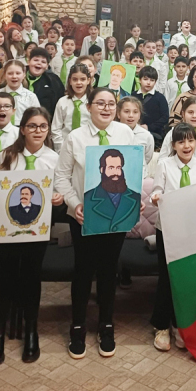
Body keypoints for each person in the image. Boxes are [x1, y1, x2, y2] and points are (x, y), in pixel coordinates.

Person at [54, 87, 136, 359]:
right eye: (100, 103)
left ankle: (106, 325)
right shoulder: (75, 137)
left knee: (109, 271)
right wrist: (74, 204)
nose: (106, 108)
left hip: (115, 215)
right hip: (83, 216)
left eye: (111, 103)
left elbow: (133, 172)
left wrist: (134, 200)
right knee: (83, 270)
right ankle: (77, 325)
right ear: (88, 107)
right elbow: (61, 177)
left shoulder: (125, 133)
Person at [0, 107, 61, 366]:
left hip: (37, 230)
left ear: (48, 130)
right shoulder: (8, 155)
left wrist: (58, 197)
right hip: (7, 229)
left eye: (43, 126)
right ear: (23, 129)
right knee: (5, 279)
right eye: (32, 126)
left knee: (31, 278)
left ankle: (31, 331)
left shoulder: (53, 158)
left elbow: (58, 188)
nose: (38, 131)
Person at [150, 123, 196, 354]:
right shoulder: (164, 164)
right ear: (174, 145)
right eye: (181, 142)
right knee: (167, 277)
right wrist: (156, 196)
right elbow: (156, 191)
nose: (187, 146)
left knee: (187, 278)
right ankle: (161, 326)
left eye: (190, 140)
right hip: (168, 229)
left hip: (193, 229)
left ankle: (181, 324)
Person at [82, 148, 142, 234]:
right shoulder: (87, 199)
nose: (116, 173)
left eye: (118, 168)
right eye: (111, 168)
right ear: (102, 169)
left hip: (125, 240)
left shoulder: (136, 198)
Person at [159, 96, 196, 177]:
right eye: (190, 112)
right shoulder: (172, 133)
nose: (194, 116)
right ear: (183, 114)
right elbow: (162, 159)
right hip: (173, 177)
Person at [0, 60, 41, 127]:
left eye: (18, 73)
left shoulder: (31, 97)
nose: (14, 76)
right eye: (10, 73)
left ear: (24, 75)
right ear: (4, 75)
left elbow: (36, 119)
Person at [51, 63, 92, 151]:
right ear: (70, 81)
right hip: (65, 146)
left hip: (88, 146)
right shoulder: (62, 102)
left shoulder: (93, 102)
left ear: (88, 80)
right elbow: (56, 128)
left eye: (83, 79)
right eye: (75, 79)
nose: (79, 83)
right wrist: (61, 149)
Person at [131, 66, 168, 144]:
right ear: (140, 80)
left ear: (155, 82)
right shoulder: (133, 96)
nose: (148, 83)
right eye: (145, 79)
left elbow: (165, 118)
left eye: (152, 80)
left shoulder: (160, 97)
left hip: (154, 135)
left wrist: (149, 127)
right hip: (133, 133)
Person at [24, 48, 66, 117]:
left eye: (43, 62)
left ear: (47, 66)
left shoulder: (53, 80)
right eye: (36, 60)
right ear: (28, 61)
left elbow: (59, 103)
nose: (39, 63)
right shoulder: (18, 75)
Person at [116, 97, 154, 172]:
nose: (131, 115)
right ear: (118, 114)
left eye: (135, 112)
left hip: (139, 173)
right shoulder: (113, 132)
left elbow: (147, 157)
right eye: (126, 111)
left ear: (139, 115)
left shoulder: (146, 135)